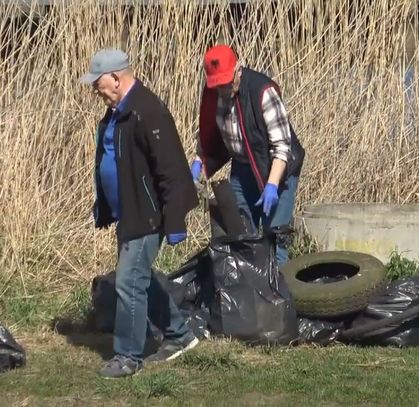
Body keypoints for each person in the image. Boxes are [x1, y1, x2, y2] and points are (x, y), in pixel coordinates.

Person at [80, 48, 199, 378]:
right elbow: (115, 163)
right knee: (139, 280)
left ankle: (128, 357)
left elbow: (171, 171)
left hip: (148, 213)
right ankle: (179, 335)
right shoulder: (119, 112)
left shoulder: (148, 111)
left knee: (129, 282)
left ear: (116, 78)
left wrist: (175, 220)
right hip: (129, 212)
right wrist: (105, 203)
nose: (94, 90)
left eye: (97, 83)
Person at [191, 45, 305, 265]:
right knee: (241, 234)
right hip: (243, 167)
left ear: (238, 70)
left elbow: (282, 147)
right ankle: (250, 289)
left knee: (275, 238)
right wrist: (198, 162)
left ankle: (278, 293)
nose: (223, 89)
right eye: (218, 85)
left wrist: (272, 185)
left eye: (227, 83)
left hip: (276, 167)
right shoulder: (215, 94)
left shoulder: (263, 92)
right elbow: (208, 132)